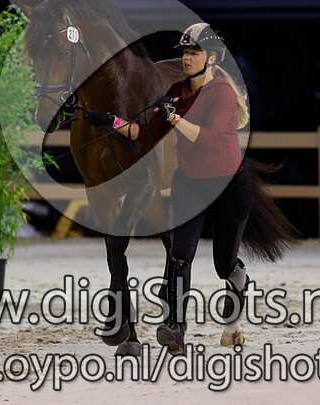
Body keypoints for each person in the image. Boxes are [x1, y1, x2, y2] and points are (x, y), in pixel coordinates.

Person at [86, 23, 254, 353]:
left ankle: (236, 289)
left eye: (194, 53)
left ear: (212, 59)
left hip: (227, 187)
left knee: (224, 265)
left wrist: (174, 117)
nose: (187, 58)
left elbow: (209, 138)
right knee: (179, 256)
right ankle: (175, 327)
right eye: (185, 53)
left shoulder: (221, 93)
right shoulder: (178, 91)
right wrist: (110, 121)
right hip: (189, 184)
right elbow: (143, 135)